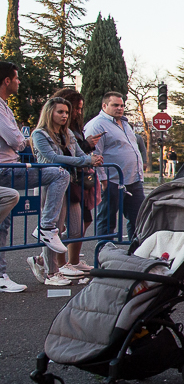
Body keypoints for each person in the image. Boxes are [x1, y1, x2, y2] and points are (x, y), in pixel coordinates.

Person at [0, 62, 69, 293]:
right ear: (7, 80)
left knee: (4, 223)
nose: (19, 81)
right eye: (17, 78)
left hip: (9, 168)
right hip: (5, 169)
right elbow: (17, 140)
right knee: (59, 173)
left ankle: (1, 274)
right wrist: (21, 139)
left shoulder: (5, 107)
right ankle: (46, 228)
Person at [29, 97, 103, 286]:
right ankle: (51, 272)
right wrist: (87, 161)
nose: (64, 116)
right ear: (49, 113)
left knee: (76, 228)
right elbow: (53, 158)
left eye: (66, 112)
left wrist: (92, 158)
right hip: (51, 183)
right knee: (53, 228)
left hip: (72, 183)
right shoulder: (39, 134)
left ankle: (45, 261)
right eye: (60, 112)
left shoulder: (68, 133)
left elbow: (79, 153)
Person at [51, 88, 102, 274]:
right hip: (64, 179)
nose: (77, 113)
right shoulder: (50, 131)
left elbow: (78, 153)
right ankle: (56, 262)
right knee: (61, 224)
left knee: (82, 221)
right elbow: (62, 155)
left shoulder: (73, 129)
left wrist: (89, 155)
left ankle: (69, 261)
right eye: (75, 109)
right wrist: (87, 151)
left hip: (79, 178)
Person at [85, 91, 145, 240]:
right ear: (104, 105)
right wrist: (103, 180)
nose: (119, 108)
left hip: (133, 180)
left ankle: (136, 252)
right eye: (115, 105)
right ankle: (104, 255)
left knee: (139, 219)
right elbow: (94, 155)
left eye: (122, 105)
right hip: (111, 180)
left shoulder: (125, 123)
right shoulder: (97, 125)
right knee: (107, 219)